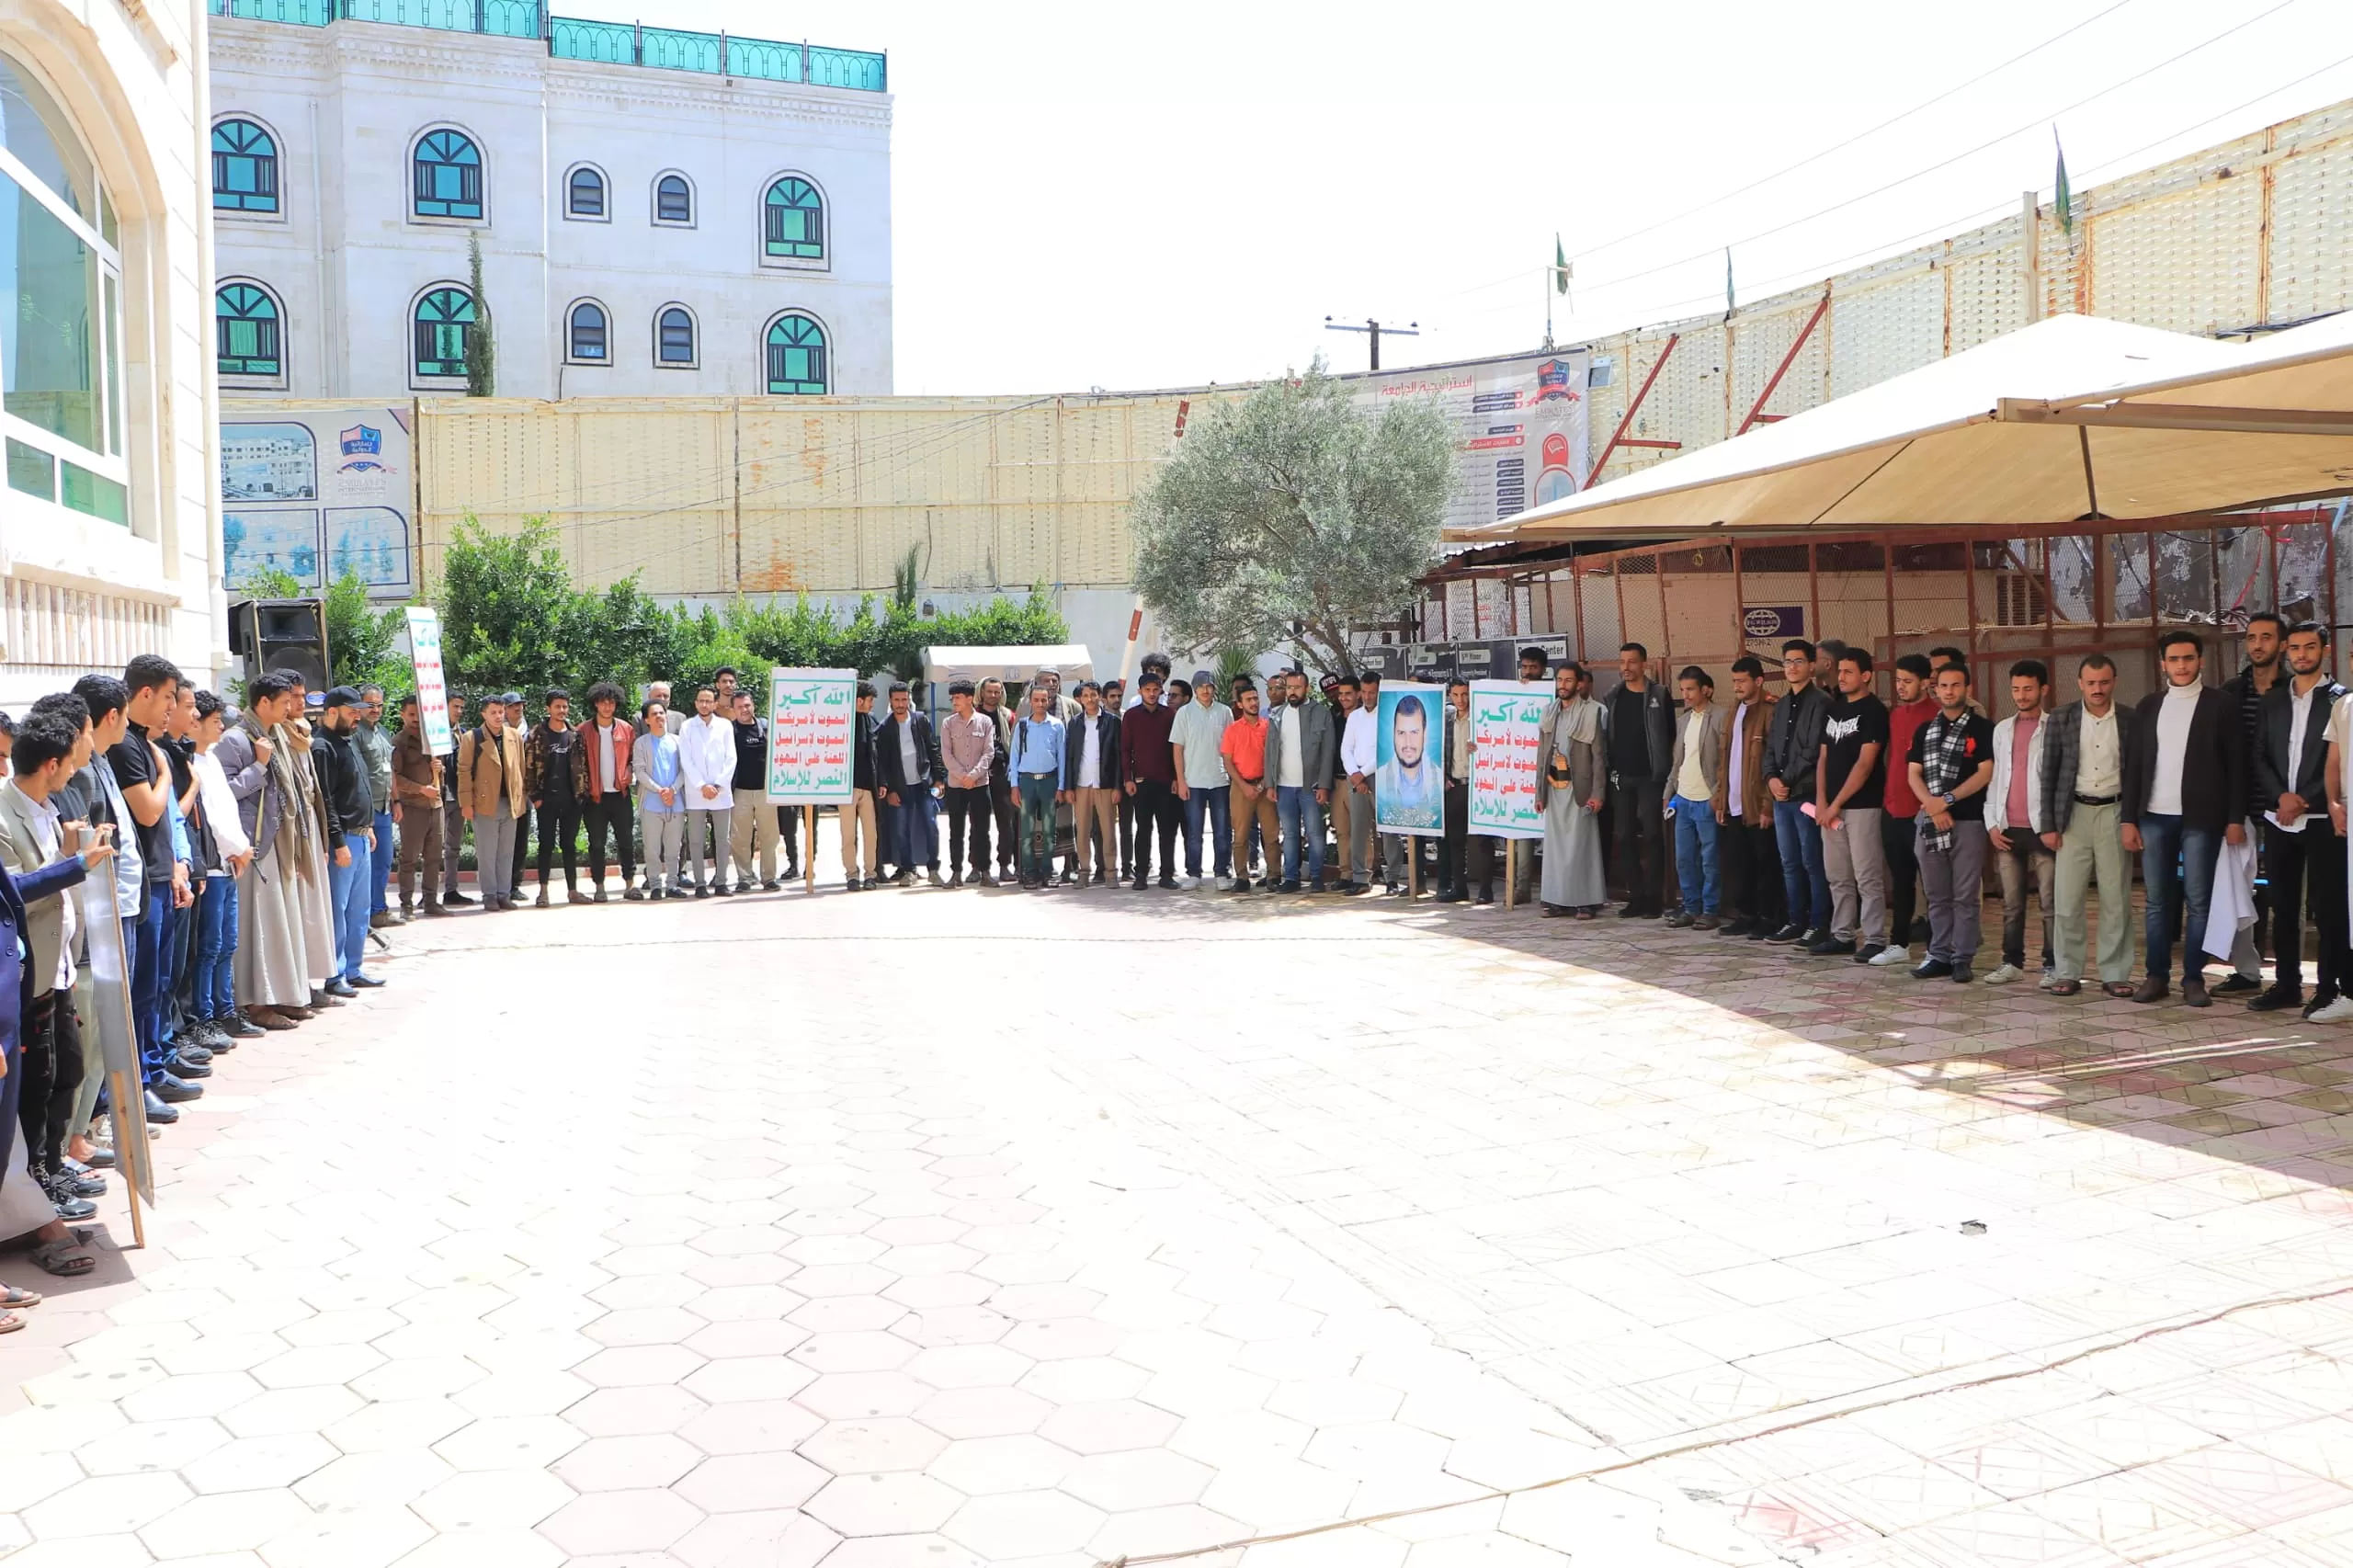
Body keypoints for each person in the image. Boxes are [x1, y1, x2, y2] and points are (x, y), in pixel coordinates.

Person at [0, 716, 114, 1217]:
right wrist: (77, 864)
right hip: (29, 977)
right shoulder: (4, 818)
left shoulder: (49, 810)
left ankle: (55, 1165)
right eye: (70, 762)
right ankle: (38, 1186)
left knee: (68, 1070)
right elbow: (13, 892)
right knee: (37, 1084)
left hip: (61, 966)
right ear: (52, 764)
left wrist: (72, 852)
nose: (74, 772)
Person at [2122, 631, 2247, 1006]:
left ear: (2200, 661)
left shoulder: (2221, 705)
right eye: (2174, 659)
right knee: (2157, 901)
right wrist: (2128, 818)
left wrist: (2235, 818)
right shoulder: (2148, 706)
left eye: (2188, 658)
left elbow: (2237, 768)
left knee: (2199, 901)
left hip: (2202, 817)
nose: (2181, 665)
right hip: (2154, 816)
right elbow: (2133, 767)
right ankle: (2156, 976)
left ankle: (2194, 978)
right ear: (2162, 663)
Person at [2251, 621, 2345, 1017]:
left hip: (2322, 818)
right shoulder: (2273, 701)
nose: (2302, 655)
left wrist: (2302, 799)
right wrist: (2279, 798)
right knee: (2282, 906)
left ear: (2325, 651)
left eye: (2311, 648)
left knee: (2328, 907)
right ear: (2287, 652)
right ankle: (2287, 985)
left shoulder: (2341, 700)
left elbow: (2338, 762)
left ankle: (2328, 989)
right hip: (2278, 819)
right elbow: (2258, 755)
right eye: (2296, 648)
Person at [217, 673, 307, 1029]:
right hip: (249, 850)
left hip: (272, 843)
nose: (290, 708)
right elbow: (223, 793)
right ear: (263, 703)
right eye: (284, 702)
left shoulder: (271, 736)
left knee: (274, 926)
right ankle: (254, 1005)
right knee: (254, 929)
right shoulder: (236, 740)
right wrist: (258, 767)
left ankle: (278, 996)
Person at [1905, 661, 1995, 983]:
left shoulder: (1983, 728)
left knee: (1965, 895)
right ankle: (1939, 954)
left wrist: (1946, 800)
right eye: (1943, 686)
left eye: (1956, 685)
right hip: (1929, 821)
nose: (1949, 691)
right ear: (1935, 689)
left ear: (1967, 689)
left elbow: (1985, 772)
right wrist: (1932, 805)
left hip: (1968, 821)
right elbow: (1912, 772)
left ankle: (1962, 957)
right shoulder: (1925, 730)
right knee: (1937, 894)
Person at [188, 693, 259, 1040]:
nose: (220, 726)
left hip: (231, 863)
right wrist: (238, 850)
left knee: (227, 942)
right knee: (209, 946)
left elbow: (228, 810)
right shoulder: (191, 763)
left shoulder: (211, 759)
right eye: (214, 720)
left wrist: (242, 849)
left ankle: (226, 1009)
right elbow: (212, 819)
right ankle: (205, 1017)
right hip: (215, 866)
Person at [2223, 611, 2288, 996]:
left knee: (2285, 894)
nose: (2258, 645)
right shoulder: (2231, 692)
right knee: (2237, 893)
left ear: (2281, 645)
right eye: (2252, 638)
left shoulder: (2296, 691)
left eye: (2266, 637)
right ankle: (2246, 971)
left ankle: (2288, 975)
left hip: (2285, 809)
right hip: (2240, 808)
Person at [1982, 660, 2057, 985]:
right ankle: (2011, 962)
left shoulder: (2054, 727)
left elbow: (2058, 781)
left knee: (2051, 903)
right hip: (2007, 828)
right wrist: (1992, 824)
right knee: (2011, 905)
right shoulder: (2002, 729)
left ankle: (2054, 965)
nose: (2021, 695)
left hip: (2043, 829)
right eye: (2016, 689)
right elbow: (1996, 779)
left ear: (2043, 689)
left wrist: (2056, 825)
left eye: (2028, 688)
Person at [1811, 649, 1890, 960]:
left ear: (1866, 675)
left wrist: (1836, 803)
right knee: (1837, 874)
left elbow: (1865, 765)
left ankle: (1874, 937)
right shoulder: (1833, 709)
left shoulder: (1874, 711)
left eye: (1848, 672)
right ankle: (1842, 934)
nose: (1841, 677)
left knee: (1867, 874)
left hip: (1862, 805)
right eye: (1840, 671)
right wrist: (1821, 801)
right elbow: (1823, 758)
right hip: (1830, 807)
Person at [312, 687, 380, 995]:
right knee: (338, 908)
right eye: (352, 711)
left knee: (359, 909)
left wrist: (370, 828)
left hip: (362, 836)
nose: (357, 716)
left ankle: (354, 967)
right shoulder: (323, 747)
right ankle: (335, 973)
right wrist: (337, 842)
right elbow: (326, 801)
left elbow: (358, 789)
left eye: (358, 711)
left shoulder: (347, 742)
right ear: (332, 711)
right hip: (344, 841)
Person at [1763, 640, 1831, 944]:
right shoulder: (1780, 705)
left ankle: (1819, 924)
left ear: (1812, 666)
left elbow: (1813, 749)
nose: (1792, 667)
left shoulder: (1821, 702)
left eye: (1798, 661)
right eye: (1787, 662)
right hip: (1781, 797)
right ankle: (1795, 920)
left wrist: (1785, 780)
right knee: (1788, 862)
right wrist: (1770, 778)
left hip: (1806, 795)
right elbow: (1770, 747)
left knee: (1812, 861)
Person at [1872, 653, 1938, 965]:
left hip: (1922, 811)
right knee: (1900, 881)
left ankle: (1937, 947)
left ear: (1926, 682)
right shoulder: (1895, 715)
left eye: (1907, 681)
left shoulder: (1937, 715)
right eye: (1898, 680)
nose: (1900, 686)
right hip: (1892, 808)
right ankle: (1898, 944)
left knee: (1933, 882)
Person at [1607, 643, 1675, 919]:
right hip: (1622, 778)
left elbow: (1669, 734)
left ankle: (1653, 898)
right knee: (1623, 837)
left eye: (1632, 662)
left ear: (1643, 664)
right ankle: (1634, 897)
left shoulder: (1659, 695)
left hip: (1651, 777)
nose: (1626, 667)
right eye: (1622, 661)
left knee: (1652, 835)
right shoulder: (1613, 696)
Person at [1714, 657, 1780, 939]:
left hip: (1757, 804)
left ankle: (1769, 916)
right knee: (1740, 863)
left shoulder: (1770, 711)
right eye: (1734, 682)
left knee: (1765, 863)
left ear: (1759, 681)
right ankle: (1746, 914)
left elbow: (1773, 760)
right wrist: (1720, 799)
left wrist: (1768, 804)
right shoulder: (1734, 711)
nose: (1737, 687)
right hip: (1733, 803)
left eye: (1742, 681)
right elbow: (1723, 759)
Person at [1537, 663, 1608, 916]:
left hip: (1581, 789)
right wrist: (1538, 794)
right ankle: (1556, 900)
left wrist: (1598, 794)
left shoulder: (1591, 713)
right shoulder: (1549, 712)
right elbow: (1541, 755)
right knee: (1556, 847)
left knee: (1581, 845)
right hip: (1555, 787)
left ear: (1579, 684)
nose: (1563, 686)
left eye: (1568, 681)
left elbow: (1599, 757)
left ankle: (1585, 902)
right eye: (1560, 680)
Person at [1263, 669, 1336, 892]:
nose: (1292, 692)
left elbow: (1328, 751)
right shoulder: (1277, 715)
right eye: (1289, 688)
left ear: (1307, 688)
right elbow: (1270, 752)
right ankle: (1292, 879)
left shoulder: (1320, 712)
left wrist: (1324, 784)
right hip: (1284, 786)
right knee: (1291, 834)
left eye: (1297, 687)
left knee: (1314, 832)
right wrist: (1270, 784)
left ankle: (1316, 877)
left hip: (1310, 787)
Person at [1665, 667, 1725, 930]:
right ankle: (1691, 907)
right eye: (1683, 690)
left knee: (1710, 858)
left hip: (1707, 799)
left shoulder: (1722, 717)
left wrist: (1719, 795)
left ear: (1705, 690)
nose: (1686, 695)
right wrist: (1669, 795)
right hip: (1684, 797)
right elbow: (1678, 761)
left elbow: (1725, 761)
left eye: (1690, 689)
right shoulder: (1683, 721)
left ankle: (1710, 909)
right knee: (1684, 858)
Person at [458, 694, 529, 912]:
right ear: (484, 714)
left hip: (510, 802)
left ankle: (504, 894)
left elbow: (521, 768)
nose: (498, 716)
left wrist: (522, 797)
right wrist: (466, 803)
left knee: (507, 852)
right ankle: (489, 894)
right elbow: (463, 771)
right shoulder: (473, 738)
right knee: (487, 851)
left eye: (501, 712)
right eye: (493, 712)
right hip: (485, 802)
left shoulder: (514, 736)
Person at [875, 682, 943, 886]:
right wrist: (890, 790)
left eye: (904, 699)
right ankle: (909, 870)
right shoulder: (885, 728)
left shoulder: (920, 720)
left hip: (922, 785)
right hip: (900, 788)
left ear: (909, 699)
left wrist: (939, 779)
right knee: (901, 830)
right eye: (896, 700)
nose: (900, 704)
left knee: (931, 826)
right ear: (890, 701)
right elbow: (883, 763)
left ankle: (933, 869)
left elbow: (933, 750)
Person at [1119, 672, 1181, 890]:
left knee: (1167, 829)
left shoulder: (1169, 715)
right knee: (1143, 829)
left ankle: (1166, 874)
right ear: (1140, 692)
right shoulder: (1132, 716)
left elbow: (1176, 749)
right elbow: (1125, 749)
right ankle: (1141, 875)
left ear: (1161, 691)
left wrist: (1176, 778)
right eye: (1147, 690)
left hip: (1166, 782)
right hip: (1142, 782)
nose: (1152, 694)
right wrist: (1128, 778)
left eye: (1156, 690)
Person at [1172, 670, 1233, 891]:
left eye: (1209, 686)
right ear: (1195, 690)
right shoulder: (1184, 713)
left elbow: (1230, 748)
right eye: (1201, 687)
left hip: (1220, 780)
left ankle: (1221, 872)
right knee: (1194, 831)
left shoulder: (1224, 712)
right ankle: (1194, 873)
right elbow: (1177, 749)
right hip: (1193, 780)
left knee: (1222, 831)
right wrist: (1181, 780)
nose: (1206, 691)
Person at [522, 688, 583, 907]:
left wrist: (581, 795)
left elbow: (582, 767)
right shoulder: (536, 734)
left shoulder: (575, 734)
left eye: (565, 706)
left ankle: (573, 891)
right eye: (557, 706)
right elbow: (527, 768)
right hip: (546, 800)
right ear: (548, 708)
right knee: (546, 845)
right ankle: (543, 891)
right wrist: (535, 797)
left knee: (569, 845)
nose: (562, 710)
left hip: (571, 801)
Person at [577, 682, 636, 903]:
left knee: (626, 841)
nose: (607, 707)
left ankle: (630, 884)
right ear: (596, 704)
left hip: (620, 794)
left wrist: (629, 772)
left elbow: (632, 758)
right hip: (595, 797)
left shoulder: (626, 729)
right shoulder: (582, 730)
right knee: (597, 844)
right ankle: (599, 886)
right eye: (603, 702)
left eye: (611, 702)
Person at [676, 686, 736, 897]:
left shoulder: (725, 726)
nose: (704, 704)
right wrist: (702, 785)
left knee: (722, 839)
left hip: (721, 792)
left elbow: (731, 758)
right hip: (696, 792)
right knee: (696, 840)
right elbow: (686, 759)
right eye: (701, 701)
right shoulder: (687, 727)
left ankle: (721, 881)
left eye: (708, 701)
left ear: (715, 704)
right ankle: (700, 883)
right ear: (696, 703)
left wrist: (718, 784)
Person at [1222, 682, 1280, 894]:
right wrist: (1244, 786)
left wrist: (1265, 783)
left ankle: (1274, 875)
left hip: (1266, 786)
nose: (1254, 703)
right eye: (1248, 699)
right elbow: (1228, 761)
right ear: (1240, 704)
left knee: (1271, 833)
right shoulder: (1232, 730)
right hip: (1241, 786)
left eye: (1256, 698)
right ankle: (1242, 876)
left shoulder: (1268, 726)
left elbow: (1275, 757)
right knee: (1240, 835)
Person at [939, 679, 998, 888]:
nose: (954, 701)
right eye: (953, 698)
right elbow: (946, 754)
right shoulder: (948, 723)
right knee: (956, 830)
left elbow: (988, 752)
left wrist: (973, 776)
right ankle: (956, 873)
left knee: (982, 830)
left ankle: (985, 872)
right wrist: (962, 776)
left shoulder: (985, 722)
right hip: (956, 786)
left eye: (958, 697)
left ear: (969, 698)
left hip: (980, 784)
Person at [391, 696, 446, 918]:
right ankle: (406, 904)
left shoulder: (433, 739)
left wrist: (439, 768)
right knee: (409, 858)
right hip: (413, 807)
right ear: (402, 714)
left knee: (434, 857)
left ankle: (431, 901)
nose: (415, 719)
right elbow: (395, 778)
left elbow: (441, 773)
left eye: (419, 714)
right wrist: (421, 789)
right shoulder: (399, 743)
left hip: (436, 806)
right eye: (411, 714)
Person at [1063, 680, 1120, 888]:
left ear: (1100, 697)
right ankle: (1084, 872)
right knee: (1083, 831)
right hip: (1081, 784)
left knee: (1108, 830)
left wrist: (1117, 786)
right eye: (1086, 695)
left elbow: (1117, 757)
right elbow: (1070, 756)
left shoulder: (1112, 722)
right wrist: (1068, 787)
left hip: (1104, 784)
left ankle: (1111, 872)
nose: (1090, 699)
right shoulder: (1075, 722)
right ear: (1081, 698)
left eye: (1093, 695)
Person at [1011, 684, 1066, 889]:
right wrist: (1014, 785)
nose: (1041, 704)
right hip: (1026, 781)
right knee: (1026, 830)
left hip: (1049, 781)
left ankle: (1047, 869)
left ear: (1049, 701)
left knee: (1049, 830)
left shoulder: (1057, 725)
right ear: (1030, 702)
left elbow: (1062, 757)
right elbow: (1014, 757)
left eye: (1044, 700)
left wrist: (1061, 786)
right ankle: (1028, 871)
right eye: (1036, 700)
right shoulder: (1023, 726)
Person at [727, 689, 781, 892]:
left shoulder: (766, 727)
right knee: (740, 838)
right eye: (740, 706)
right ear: (733, 709)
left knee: (770, 837)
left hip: (766, 791)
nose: (744, 710)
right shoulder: (729, 731)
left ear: (753, 706)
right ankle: (745, 877)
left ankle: (769, 878)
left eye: (747, 705)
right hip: (740, 791)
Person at [632, 701, 685, 898]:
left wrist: (672, 790)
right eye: (654, 714)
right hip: (651, 803)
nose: (659, 717)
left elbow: (683, 770)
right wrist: (660, 790)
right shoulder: (641, 743)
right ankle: (655, 885)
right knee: (652, 848)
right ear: (647, 719)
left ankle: (672, 884)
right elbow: (640, 771)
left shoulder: (678, 742)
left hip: (675, 801)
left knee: (674, 848)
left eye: (662, 713)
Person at [356, 686, 398, 928]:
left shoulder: (383, 732)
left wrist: (397, 800)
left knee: (384, 861)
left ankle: (379, 909)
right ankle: (365, 914)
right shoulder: (356, 734)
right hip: (366, 809)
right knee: (366, 865)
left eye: (379, 705)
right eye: (370, 705)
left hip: (384, 807)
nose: (375, 710)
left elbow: (389, 770)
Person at [1437, 678, 1483, 903]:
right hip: (1454, 785)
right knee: (1455, 841)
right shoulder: (1446, 719)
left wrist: (1481, 747)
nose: (1461, 700)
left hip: (1479, 785)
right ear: (1450, 696)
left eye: (1464, 694)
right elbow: (1438, 749)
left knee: (1483, 840)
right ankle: (1459, 888)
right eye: (1456, 695)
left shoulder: (1482, 718)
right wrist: (1443, 777)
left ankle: (1485, 891)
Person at [841, 683, 881, 892]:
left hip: (868, 787)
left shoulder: (872, 721)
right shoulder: (841, 721)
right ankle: (851, 875)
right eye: (869, 700)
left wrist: (881, 782)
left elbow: (878, 755)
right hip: (846, 788)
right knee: (848, 835)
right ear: (859, 700)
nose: (871, 705)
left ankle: (870, 874)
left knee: (871, 834)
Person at [1331, 676, 1369, 892]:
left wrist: (1359, 775)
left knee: (1362, 830)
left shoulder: (1365, 718)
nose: (1344, 698)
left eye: (1348, 693)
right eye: (1341, 694)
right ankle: (1346, 874)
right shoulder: (1335, 718)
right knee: (1342, 831)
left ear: (1358, 694)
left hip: (1360, 780)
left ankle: (1364, 874)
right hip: (1337, 781)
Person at [978, 677, 1017, 883]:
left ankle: (1004, 865)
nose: (993, 695)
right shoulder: (973, 715)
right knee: (978, 823)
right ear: (982, 693)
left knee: (1006, 823)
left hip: (1003, 774)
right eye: (989, 691)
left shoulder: (1008, 715)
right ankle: (977, 866)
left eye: (997, 692)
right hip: (979, 775)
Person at [437, 693, 472, 905]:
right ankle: (429, 894)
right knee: (432, 849)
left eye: (461, 707)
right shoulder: (432, 733)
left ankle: (451, 890)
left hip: (457, 796)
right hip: (438, 796)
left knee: (454, 847)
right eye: (455, 706)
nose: (458, 711)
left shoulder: (463, 735)